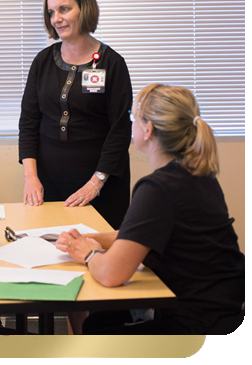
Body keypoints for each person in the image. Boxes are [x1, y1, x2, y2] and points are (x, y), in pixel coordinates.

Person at [55, 84, 245, 334]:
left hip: (197, 322)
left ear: (148, 129)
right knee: (98, 321)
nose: (130, 125)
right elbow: (137, 236)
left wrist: (90, 254)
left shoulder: (158, 189)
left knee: (97, 329)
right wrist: (85, 239)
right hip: (222, 308)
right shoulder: (197, 175)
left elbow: (111, 274)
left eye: (133, 119)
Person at [18, 0, 132, 230]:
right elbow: (28, 122)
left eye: (64, 9)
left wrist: (96, 183)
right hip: (48, 183)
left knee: (98, 257)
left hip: (101, 185)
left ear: (85, 8)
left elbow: (120, 131)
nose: (56, 18)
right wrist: (31, 178)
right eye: (51, 12)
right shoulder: (43, 61)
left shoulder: (112, 64)